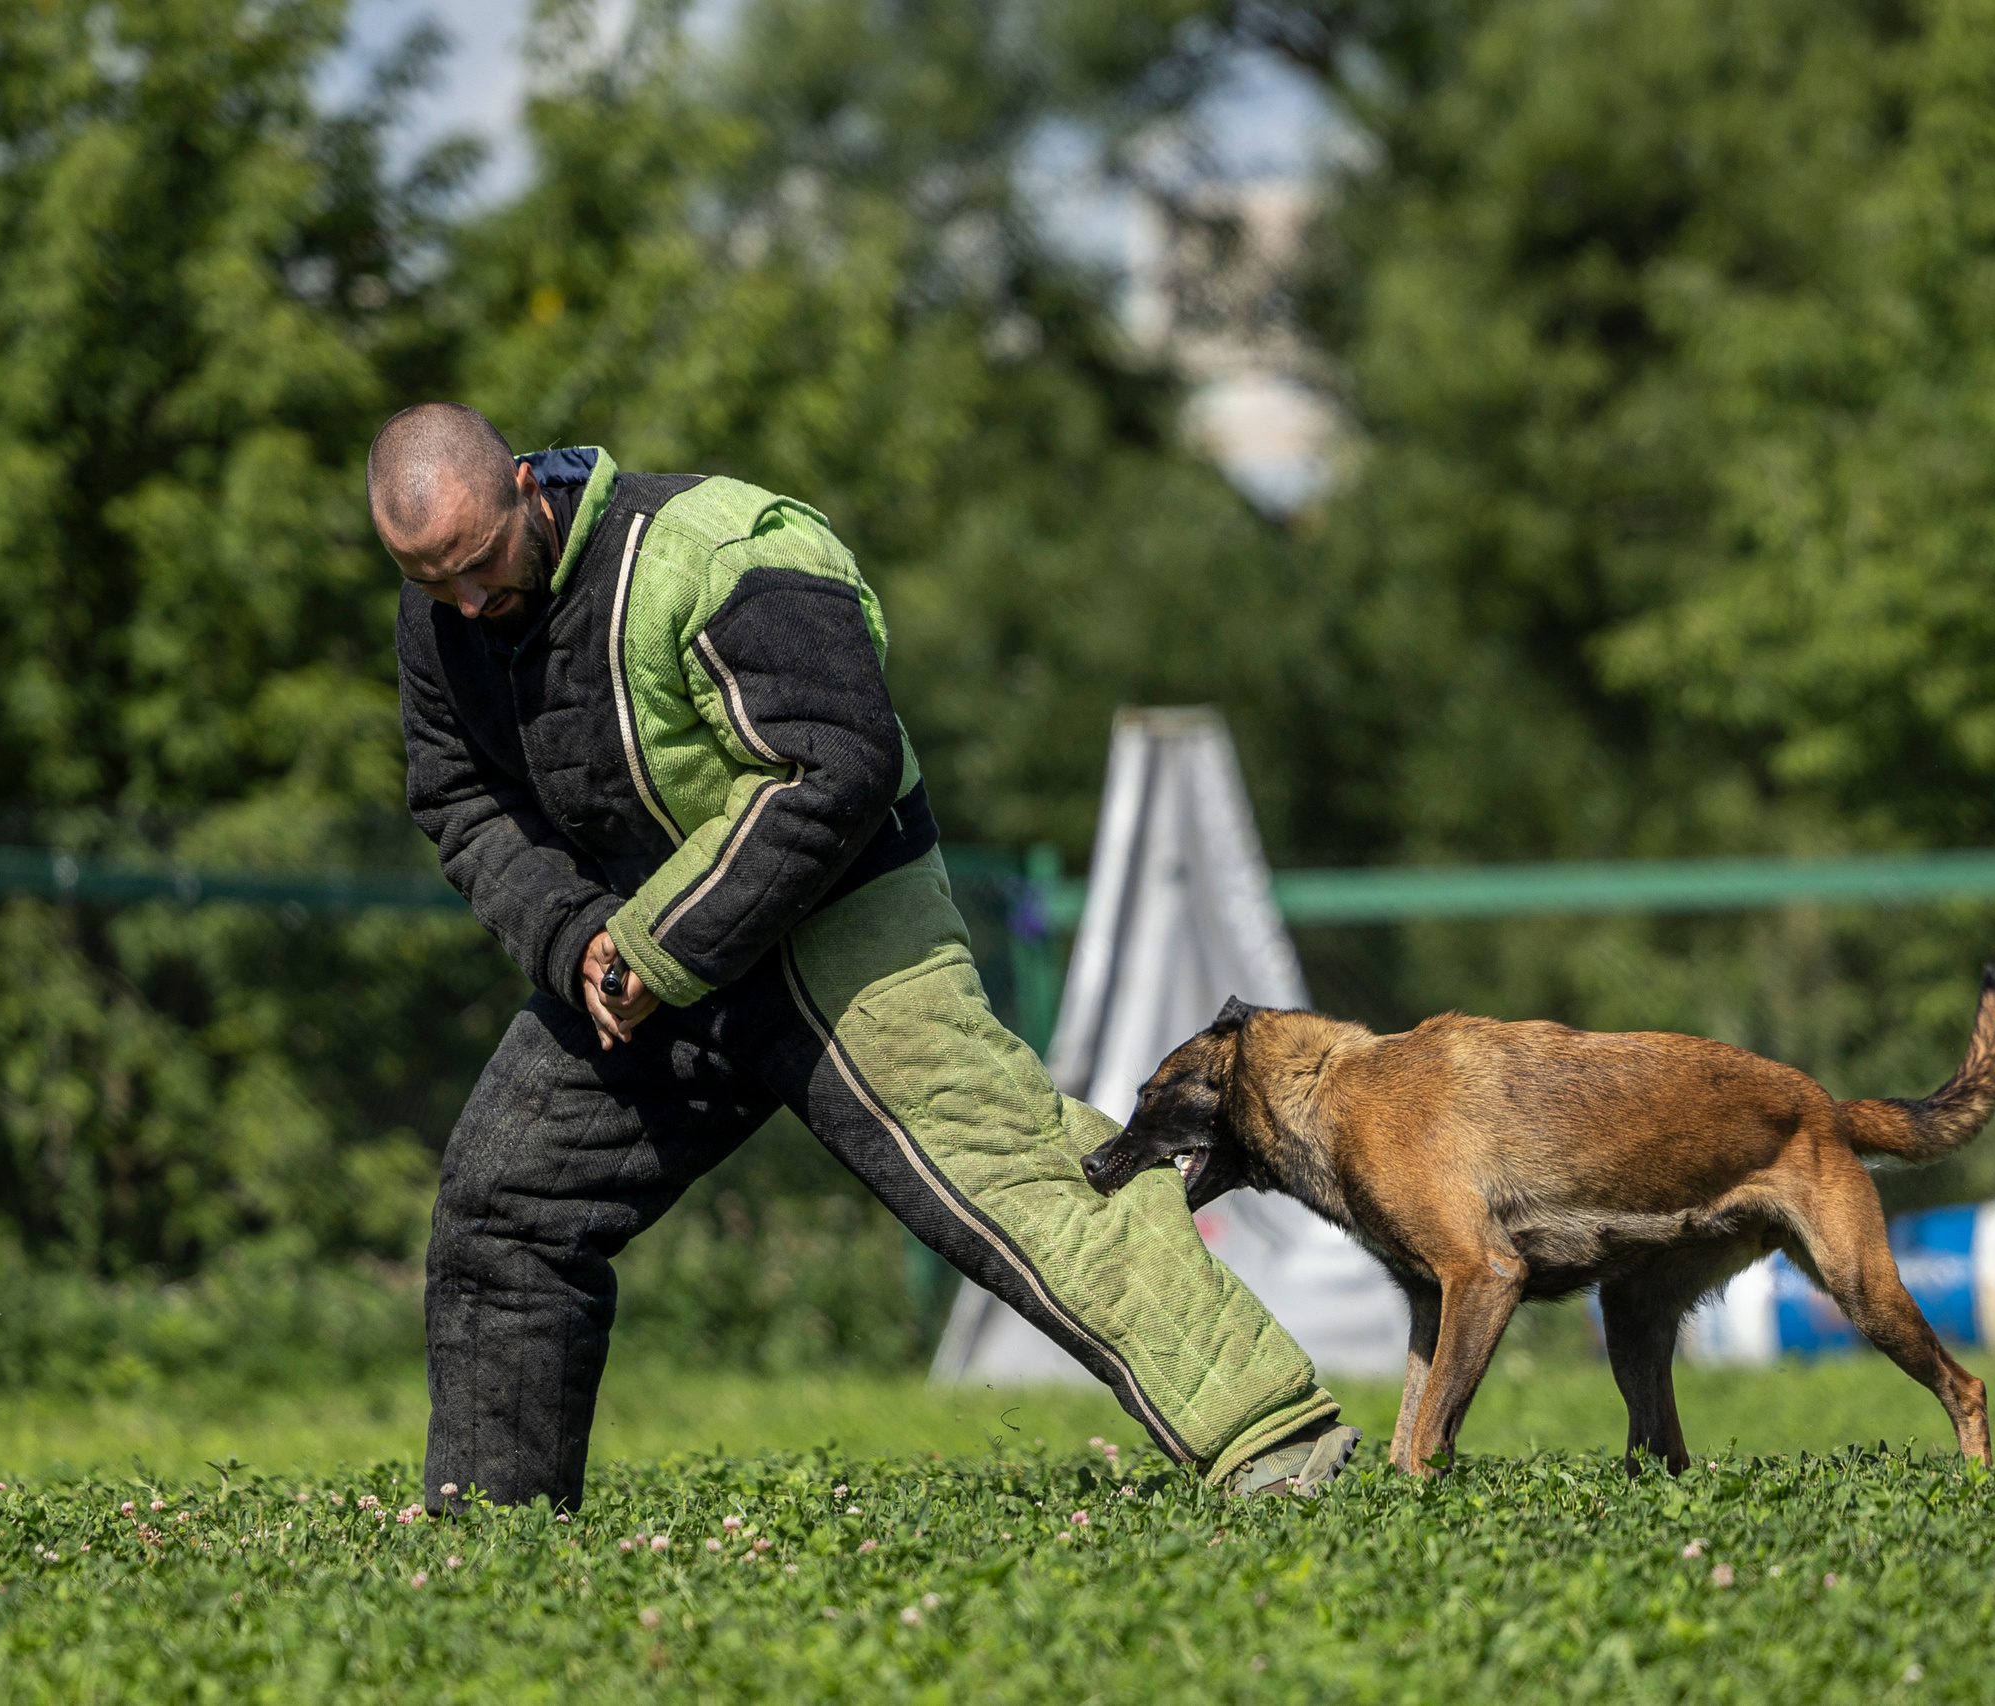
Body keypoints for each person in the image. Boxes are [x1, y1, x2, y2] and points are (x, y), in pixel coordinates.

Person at [369, 402, 1360, 1509]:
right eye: (428, 581)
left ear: (522, 485)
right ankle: (491, 1527)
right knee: (502, 1201)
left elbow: (836, 761)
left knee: (1008, 1176)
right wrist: (574, 940)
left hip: (837, 909)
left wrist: (655, 939)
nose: (461, 602)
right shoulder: (442, 625)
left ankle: (1273, 1437)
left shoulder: (719, 547)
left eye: (476, 566)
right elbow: (460, 801)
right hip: (638, 964)